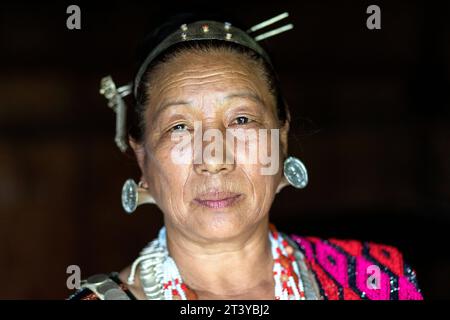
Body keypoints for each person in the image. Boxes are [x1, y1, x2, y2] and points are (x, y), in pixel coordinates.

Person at [68, 11, 423, 300]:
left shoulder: (374, 279)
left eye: (241, 119)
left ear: (280, 138)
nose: (214, 159)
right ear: (142, 157)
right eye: (179, 127)